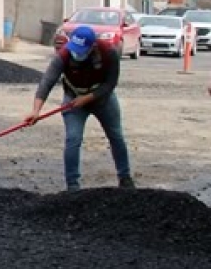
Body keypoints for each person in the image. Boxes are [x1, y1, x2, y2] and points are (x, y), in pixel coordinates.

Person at [25, 24, 135, 192]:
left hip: (102, 99)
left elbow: (110, 84)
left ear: (92, 46)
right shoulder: (65, 55)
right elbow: (47, 81)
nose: (77, 53)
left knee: (116, 136)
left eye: (81, 49)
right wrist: (36, 110)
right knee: (72, 140)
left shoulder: (108, 52)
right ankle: (73, 186)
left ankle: (125, 178)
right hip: (73, 99)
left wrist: (88, 98)